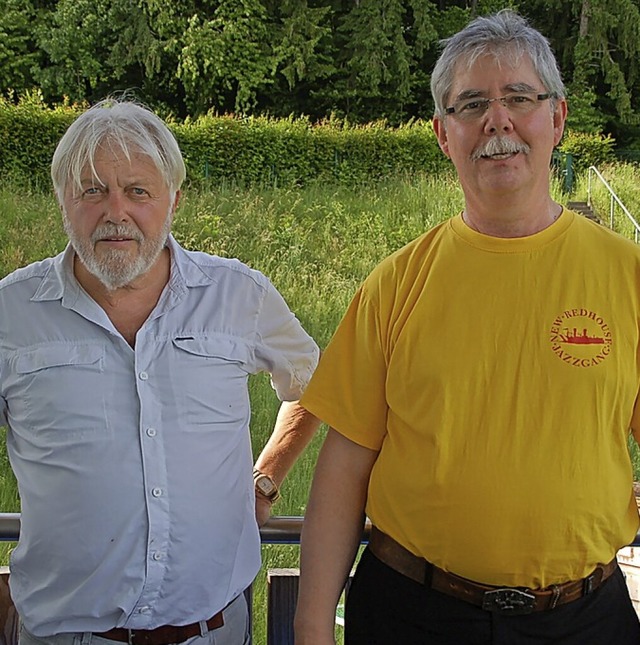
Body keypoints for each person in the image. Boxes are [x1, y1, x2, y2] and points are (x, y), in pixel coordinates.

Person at [294, 10, 640, 645]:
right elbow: (344, 465)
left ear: (557, 119)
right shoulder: (394, 285)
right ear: (442, 133)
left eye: (519, 99)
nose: (497, 121)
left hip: (586, 620)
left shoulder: (628, 275)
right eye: (472, 104)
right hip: (413, 613)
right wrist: (312, 627)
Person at [0, 98, 321, 645]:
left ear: (175, 199)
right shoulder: (11, 313)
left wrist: (265, 477)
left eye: (138, 191)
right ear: (62, 201)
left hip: (213, 632)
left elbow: (317, 386)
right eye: (92, 189)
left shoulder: (238, 295)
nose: (115, 211)